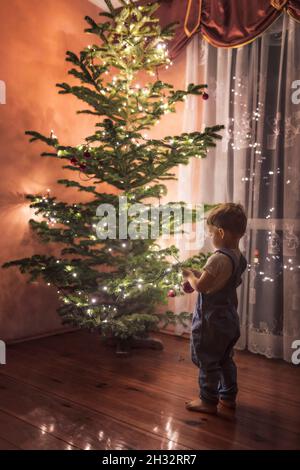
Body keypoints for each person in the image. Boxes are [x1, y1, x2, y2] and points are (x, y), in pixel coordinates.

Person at [182, 203, 248, 415]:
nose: (211, 237)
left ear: (220, 232)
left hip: (212, 321)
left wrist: (190, 276)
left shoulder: (217, 258)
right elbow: (223, 282)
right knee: (224, 358)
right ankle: (228, 397)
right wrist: (200, 277)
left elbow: (201, 287)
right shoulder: (239, 257)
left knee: (208, 359)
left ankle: (208, 401)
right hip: (229, 318)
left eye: (211, 233)